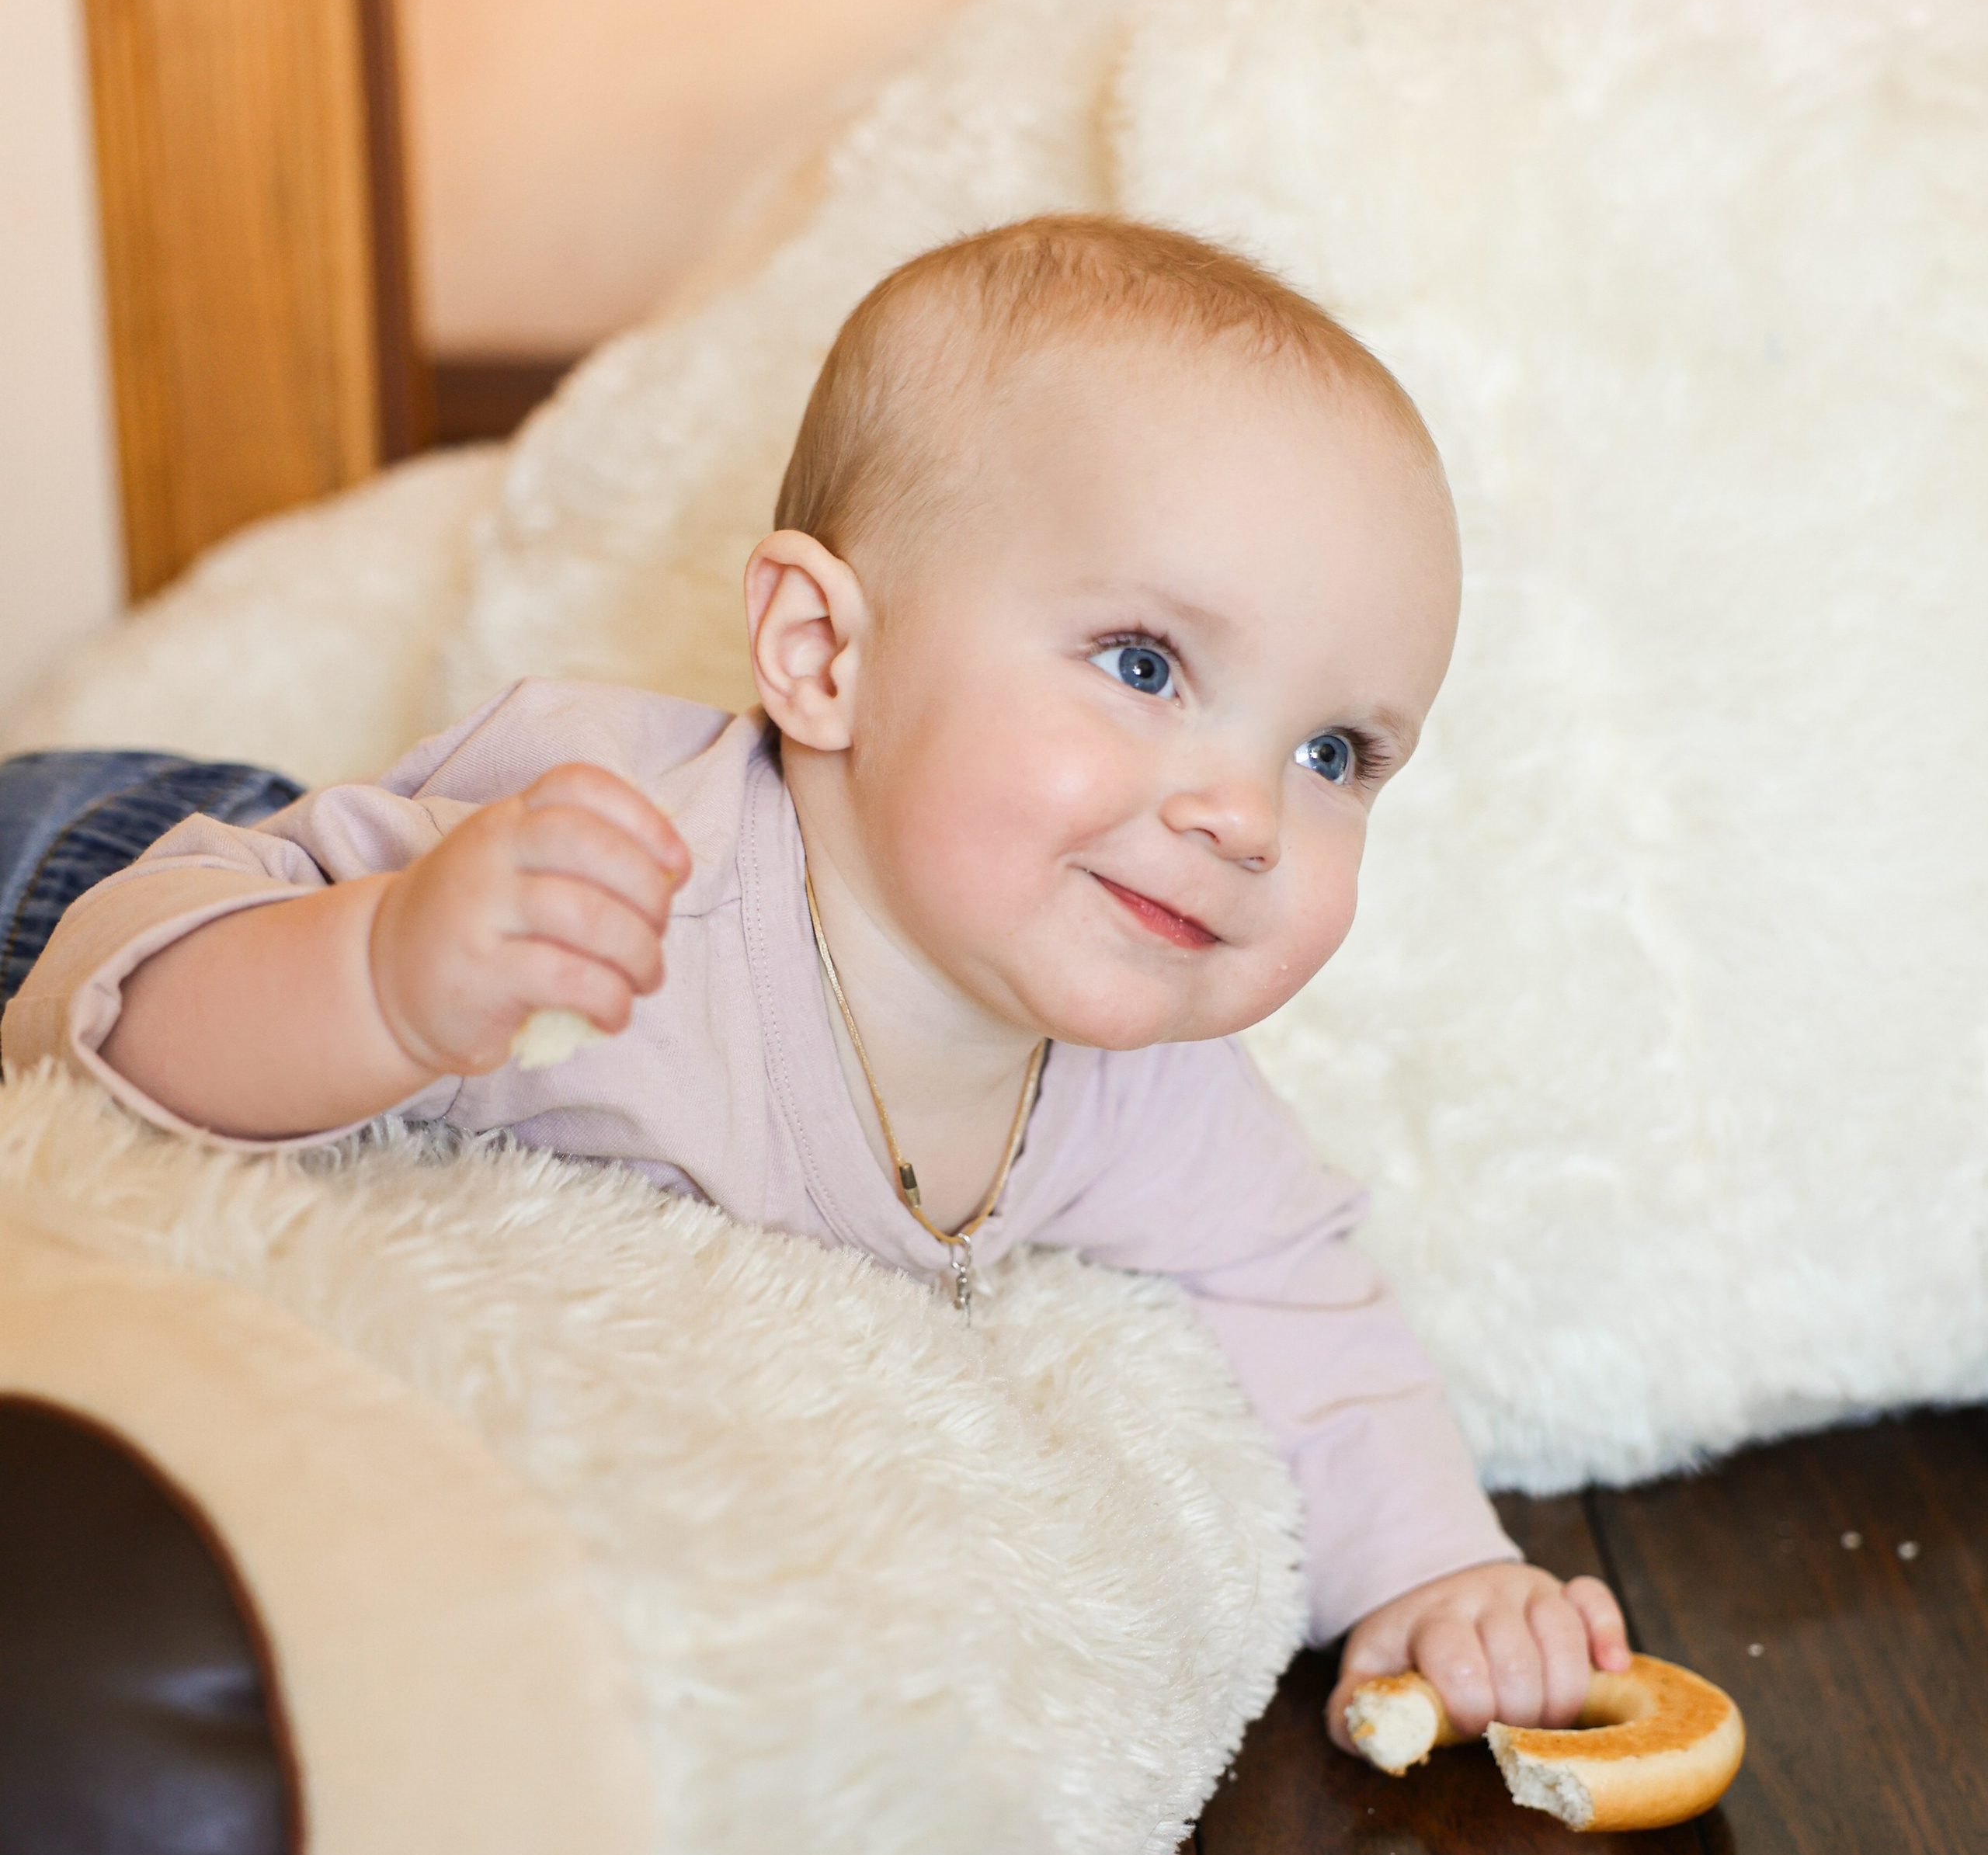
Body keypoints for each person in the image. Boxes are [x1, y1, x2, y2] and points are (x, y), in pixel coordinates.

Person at [2, 214, 1628, 1751]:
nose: (1242, 814)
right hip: (84, 858)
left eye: (1331, 751)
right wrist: (386, 975)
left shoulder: (1150, 1083)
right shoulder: (613, 885)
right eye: (1142, 666)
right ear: (820, 656)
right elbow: (117, 1016)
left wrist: (1433, 1575)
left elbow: (1296, 1293)